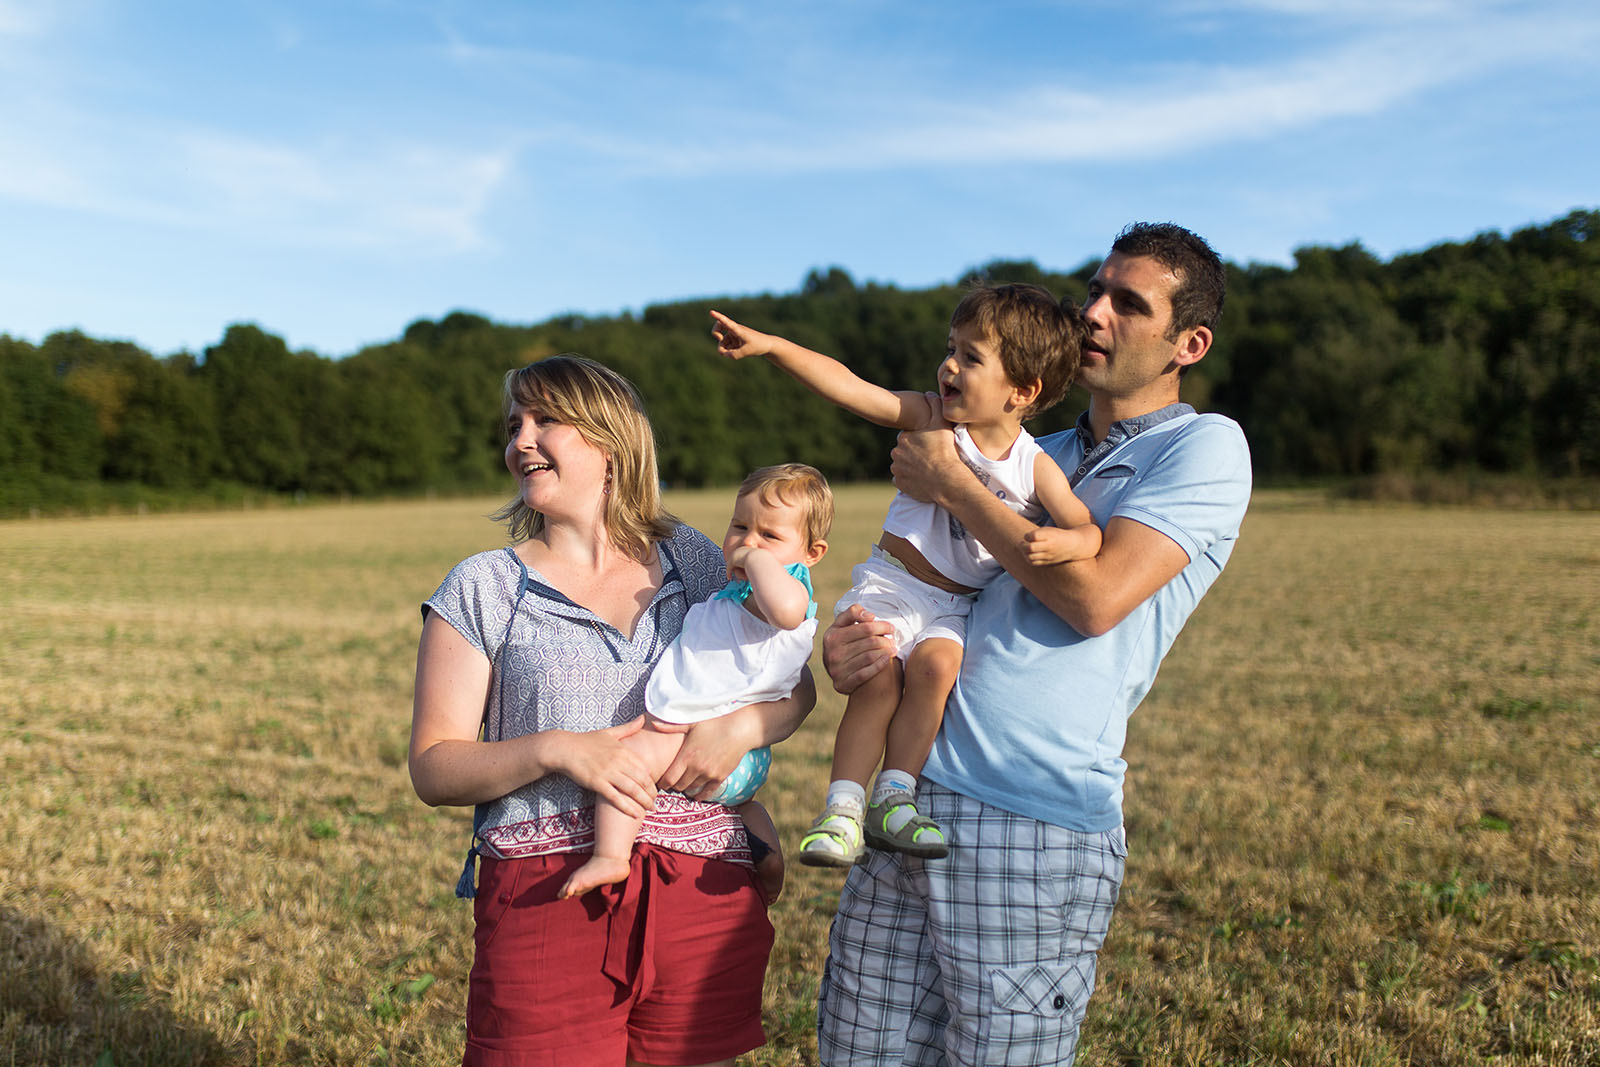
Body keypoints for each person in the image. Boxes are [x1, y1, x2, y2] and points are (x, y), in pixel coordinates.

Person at [816, 223, 1253, 1067]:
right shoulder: (1024, 447)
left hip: (1033, 820)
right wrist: (861, 650)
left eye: (1129, 304)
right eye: (1095, 290)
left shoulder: (1204, 448)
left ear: (1188, 343)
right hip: (907, 795)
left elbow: (1095, 599)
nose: (1093, 313)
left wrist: (957, 486)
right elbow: (926, 582)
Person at [408, 355, 814, 1067]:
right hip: (547, 894)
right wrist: (560, 748)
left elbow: (793, 684)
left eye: (545, 420)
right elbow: (435, 767)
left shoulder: (695, 557)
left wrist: (744, 730)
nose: (521, 440)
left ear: (611, 441)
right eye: (514, 425)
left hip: (704, 888)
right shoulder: (484, 585)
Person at [711, 285, 1102, 869]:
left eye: (972, 357)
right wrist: (773, 347)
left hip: (954, 607)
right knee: (879, 678)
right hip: (893, 586)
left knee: (937, 670)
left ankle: (894, 798)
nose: (949, 365)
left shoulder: (1035, 466)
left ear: (1022, 391)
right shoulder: (933, 419)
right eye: (951, 348)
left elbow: (1088, 529)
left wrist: (1067, 539)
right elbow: (851, 389)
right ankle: (841, 809)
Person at [559, 462, 833, 901]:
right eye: (740, 526)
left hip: (714, 737)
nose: (748, 542)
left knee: (628, 763)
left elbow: (786, 610)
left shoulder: (788, 590)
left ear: (812, 553)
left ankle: (610, 855)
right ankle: (767, 855)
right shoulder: (737, 595)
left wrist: (757, 560)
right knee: (741, 806)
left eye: (770, 536)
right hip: (735, 760)